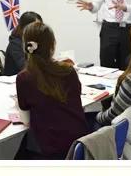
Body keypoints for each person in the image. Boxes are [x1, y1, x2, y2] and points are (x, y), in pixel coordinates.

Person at [14, 22, 88, 159]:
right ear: (52, 45)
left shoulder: (24, 78)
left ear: (25, 47)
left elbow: (26, 120)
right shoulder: (68, 70)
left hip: (52, 149)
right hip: (80, 143)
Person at [3, 11, 42, 76]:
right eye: (36, 26)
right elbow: (25, 67)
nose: (39, 30)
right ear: (25, 27)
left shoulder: (35, 40)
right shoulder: (15, 44)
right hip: (16, 81)